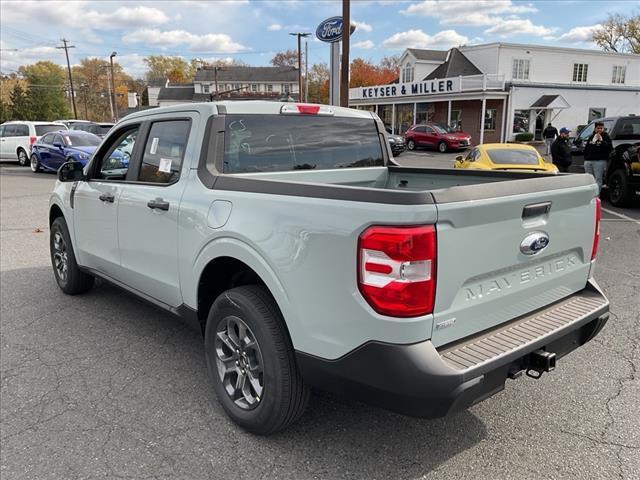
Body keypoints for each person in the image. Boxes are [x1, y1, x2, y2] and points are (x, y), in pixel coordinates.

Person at [583, 121, 612, 193]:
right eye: (598, 128)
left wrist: (601, 141)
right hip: (588, 161)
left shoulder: (606, 136)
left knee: (598, 179)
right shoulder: (591, 136)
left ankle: (596, 195)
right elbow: (587, 148)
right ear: (595, 129)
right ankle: (589, 194)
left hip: (599, 161)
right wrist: (586, 158)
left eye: (601, 128)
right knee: (589, 179)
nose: (600, 130)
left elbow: (609, 148)